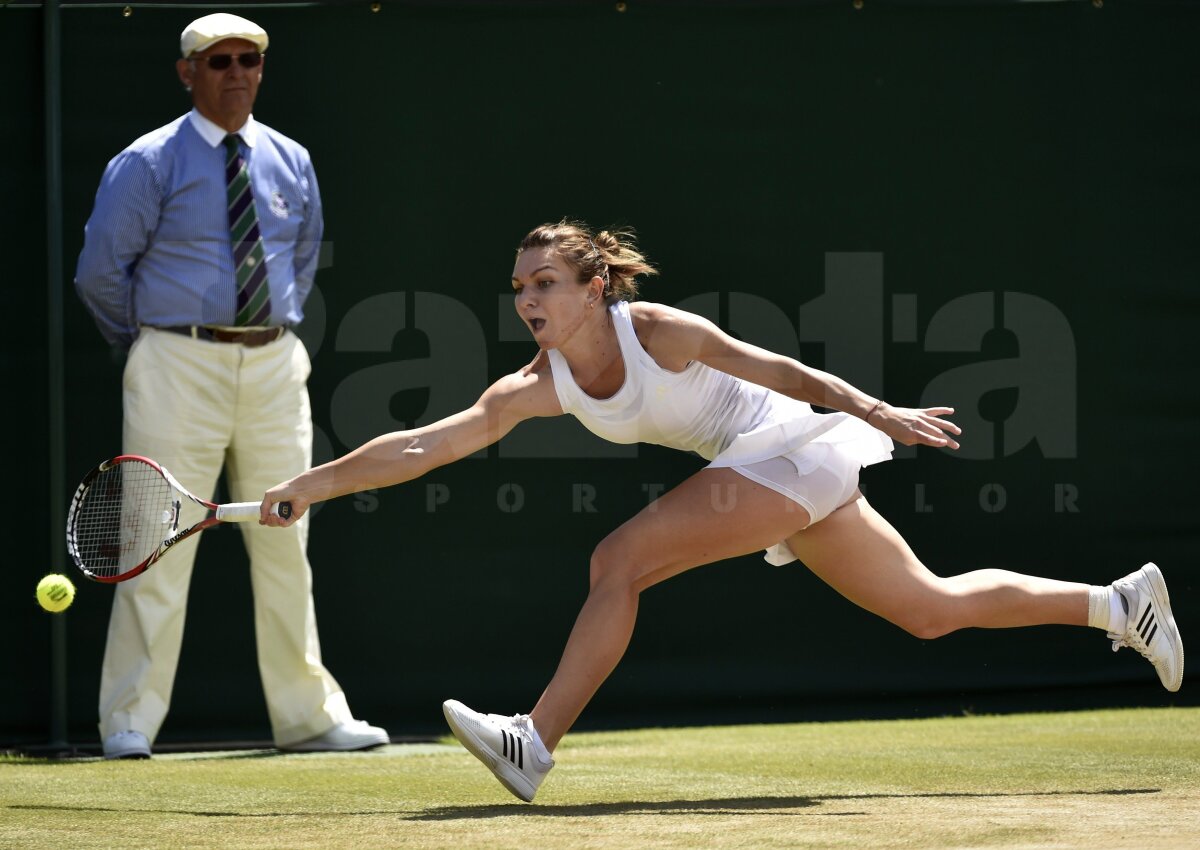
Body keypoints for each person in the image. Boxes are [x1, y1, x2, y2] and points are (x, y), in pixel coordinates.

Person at [259, 220, 1183, 801]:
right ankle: (1118, 603)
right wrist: (312, 482)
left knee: (616, 562)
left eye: (544, 282)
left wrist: (873, 410)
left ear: (594, 288)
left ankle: (533, 741)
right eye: (519, 286)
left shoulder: (657, 330)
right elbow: (429, 442)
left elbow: (781, 371)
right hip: (777, 469)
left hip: (793, 447)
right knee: (928, 609)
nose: (527, 298)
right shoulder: (540, 383)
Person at [74, 13, 388, 759]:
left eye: (250, 60)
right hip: (176, 360)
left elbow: (300, 260)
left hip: (276, 362)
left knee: (288, 533)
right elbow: (99, 275)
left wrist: (266, 330)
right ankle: (129, 721)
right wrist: (153, 344)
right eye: (219, 62)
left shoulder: (290, 159)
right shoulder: (147, 162)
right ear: (188, 72)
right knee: (155, 539)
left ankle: (308, 716)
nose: (237, 73)